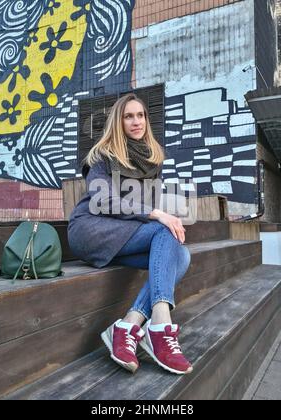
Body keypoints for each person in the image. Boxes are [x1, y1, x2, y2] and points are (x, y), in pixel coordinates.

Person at [68, 93, 193, 375]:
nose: (136, 121)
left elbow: (145, 206)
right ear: (118, 121)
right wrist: (159, 214)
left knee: (182, 256)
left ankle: (128, 325)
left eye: (141, 115)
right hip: (91, 228)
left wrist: (159, 214)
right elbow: (104, 201)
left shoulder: (150, 160)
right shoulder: (102, 156)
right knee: (164, 229)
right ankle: (160, 325)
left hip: (124, 233)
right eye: (128, 116)